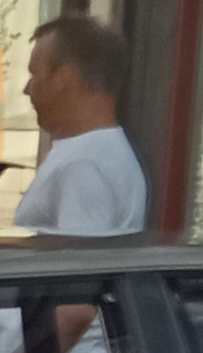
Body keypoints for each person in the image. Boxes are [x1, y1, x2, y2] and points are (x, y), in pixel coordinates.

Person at [17, 14, 149, 234]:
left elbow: (78, 254)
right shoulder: (101, 153)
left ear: (64, 78)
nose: (27, 89)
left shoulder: (82, 166)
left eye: (34, 74)